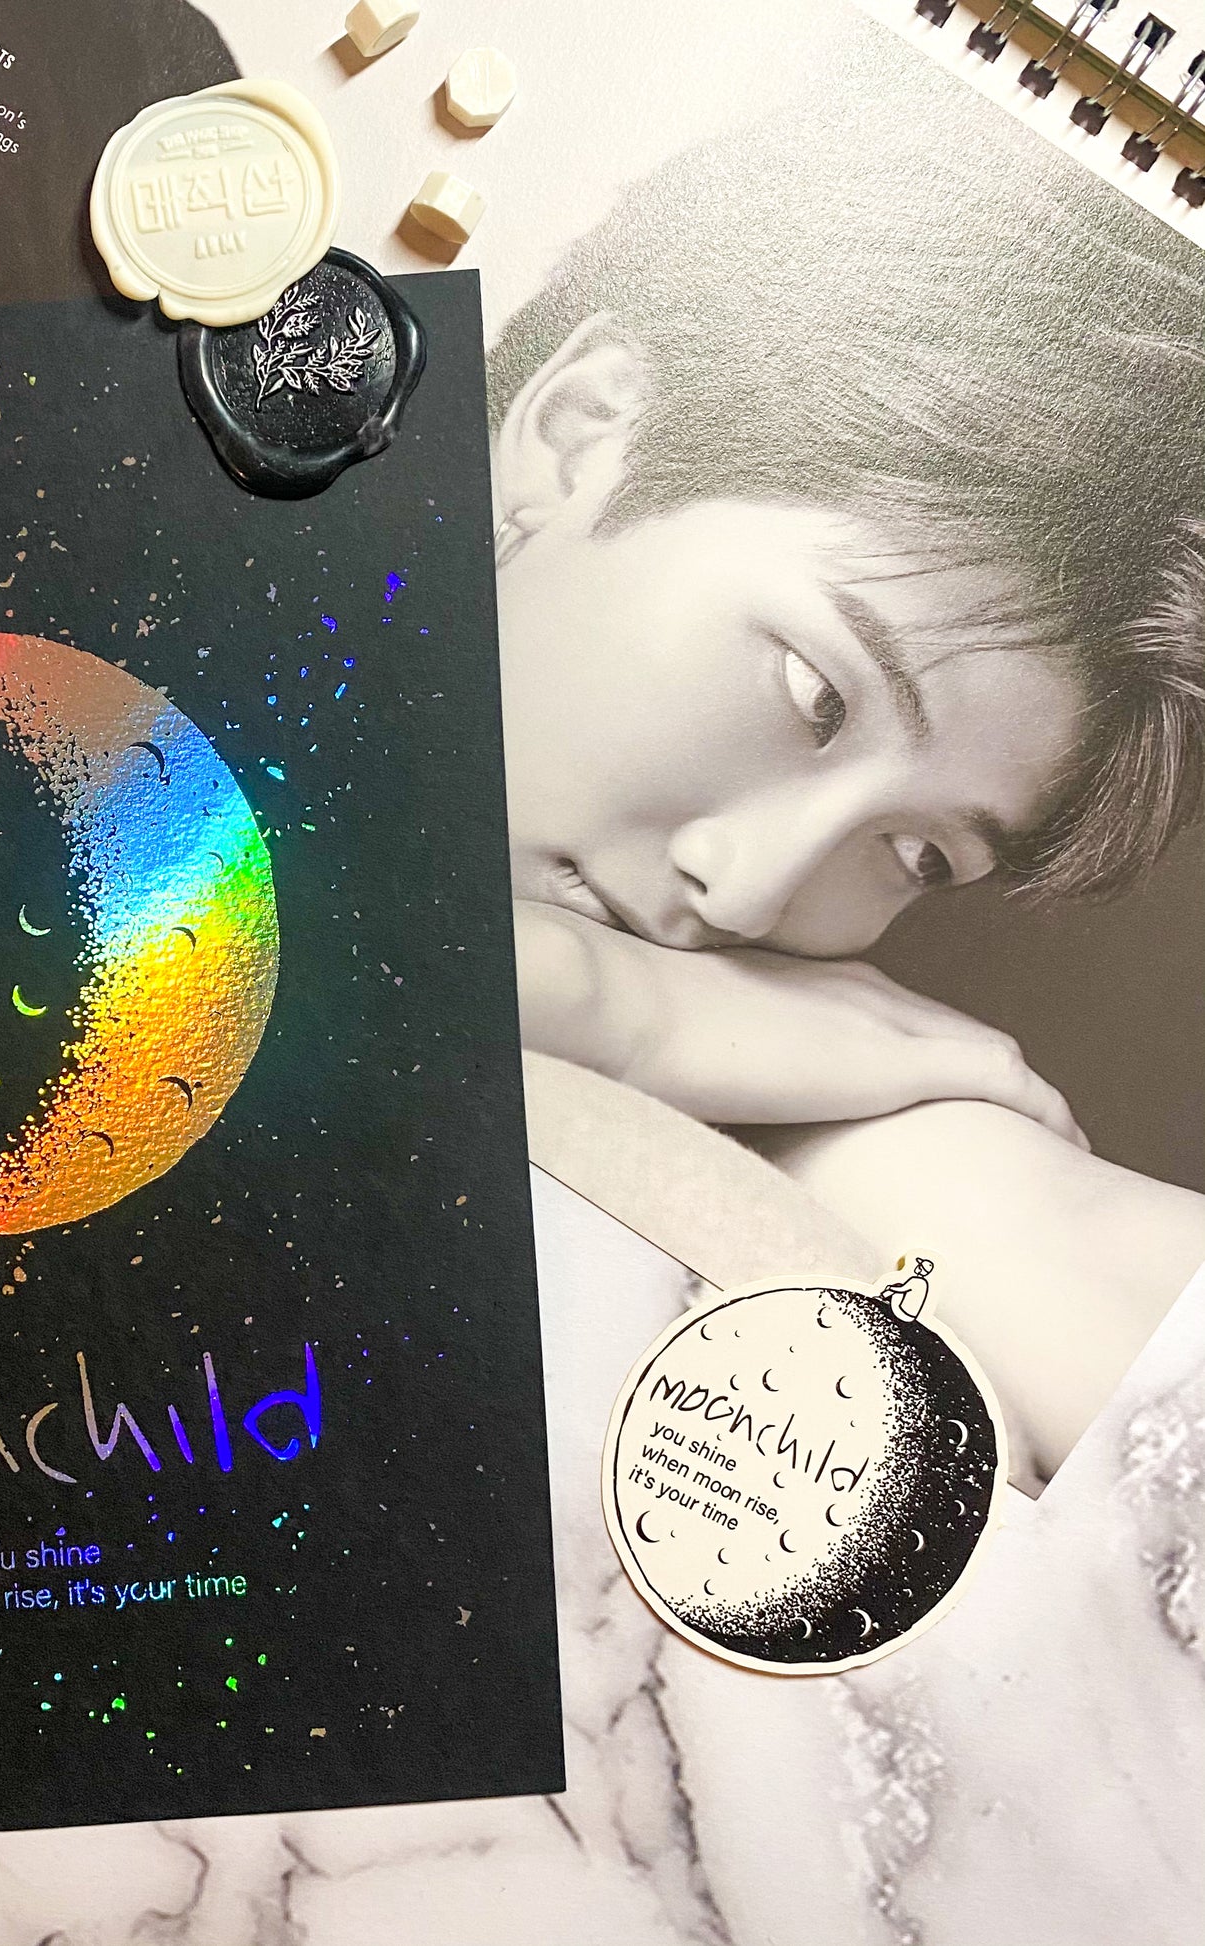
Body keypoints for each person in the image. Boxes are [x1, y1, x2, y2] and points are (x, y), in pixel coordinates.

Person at [489, 57, 1205, 1484]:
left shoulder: (819, 1077)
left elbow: (1060, 1258)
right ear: (582, 438)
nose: (749, 895)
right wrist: (607, 1004)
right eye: (814, 693)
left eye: (920, 854)